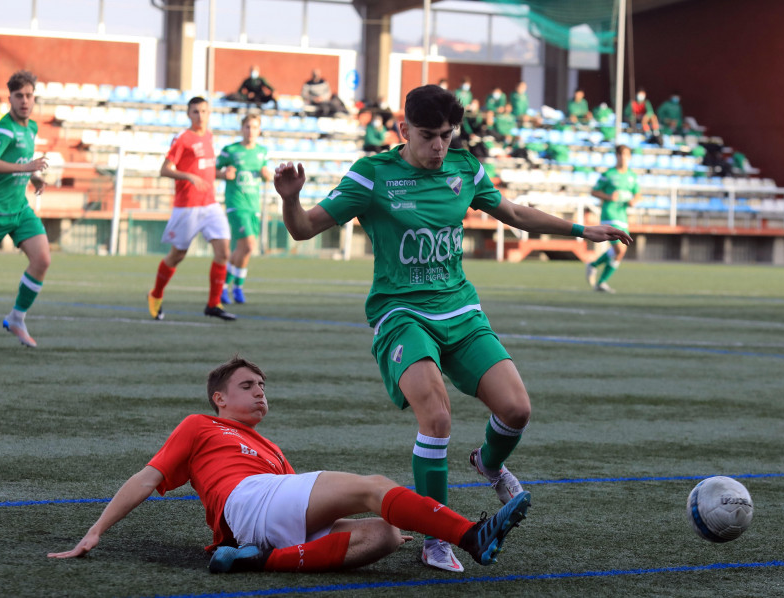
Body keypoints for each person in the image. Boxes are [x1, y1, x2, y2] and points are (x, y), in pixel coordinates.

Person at [273, 84, 630, 572]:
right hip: (401, 313)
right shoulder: (373, 174)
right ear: (404, 131)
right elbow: (304, 228)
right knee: (436, 418)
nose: (439, 146)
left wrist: (580, 230)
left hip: (460, 310)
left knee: (517, 410)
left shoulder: (465, 168)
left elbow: (514, 214)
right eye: (428, 136)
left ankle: (488, 463)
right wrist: (291, 200)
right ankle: (435, 537)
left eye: (447, 135)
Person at [47, 356, 532, 574]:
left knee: (382, 532)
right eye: (247, 385)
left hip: (262, 519)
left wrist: (394, 521)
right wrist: (96, 531)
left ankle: (258, 559)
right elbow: (146, 477)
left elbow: (298, 511)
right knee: (374, 486)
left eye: (262, 385)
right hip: (248, 502)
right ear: (219, 397)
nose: (260, 391)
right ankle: (470, 535)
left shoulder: (273, 449)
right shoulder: (200, 426)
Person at [147, 96, 236, 322]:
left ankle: (213, 304)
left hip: (210, 204)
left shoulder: (209, 136)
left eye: (204, 111)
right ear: (189, 114)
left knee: (223, 251)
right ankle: (155, 294)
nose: (200, 116)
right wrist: (188, 176)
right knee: (177, 255)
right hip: (187, 207)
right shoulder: (183, 138)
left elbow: (206, 170)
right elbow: (164, 170)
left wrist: (222, 175)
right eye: (196, 112)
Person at [0, 71, 49, 348]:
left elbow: (21, 158)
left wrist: (33, 176)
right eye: (18, 95)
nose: (24, 100)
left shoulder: (31, 127)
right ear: (10, 98)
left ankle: (17, 318)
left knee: (42, 259)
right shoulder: (4, 128)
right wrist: (26, 168)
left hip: (19, 210)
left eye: (29, 95)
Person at [216, 114, 272, 305]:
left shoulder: (262, 152)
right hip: (236, 204)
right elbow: (212, 170)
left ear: (259, 130)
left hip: (253, 206)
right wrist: (223, 174)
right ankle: (224, 285)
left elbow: (266, 174)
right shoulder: (230, 150)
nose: (250, 131)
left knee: (245, 250)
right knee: (248, 245)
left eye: (254, 127)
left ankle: (236, 287)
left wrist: (267, 176)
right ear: (242, 129)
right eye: (247, 127)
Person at [586, 144, 640, 294]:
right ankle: (596, 270)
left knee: (621, 252)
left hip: (623, 215)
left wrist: (634, 201)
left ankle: (598, 275)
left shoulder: (632, 176)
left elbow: (638, 193)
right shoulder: (609, 174)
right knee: (618, 248)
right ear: (617, 156)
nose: (624, 158)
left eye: (627, 155)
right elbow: (594, 191)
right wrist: (609, 197)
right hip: (609, 214)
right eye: (621, 154)